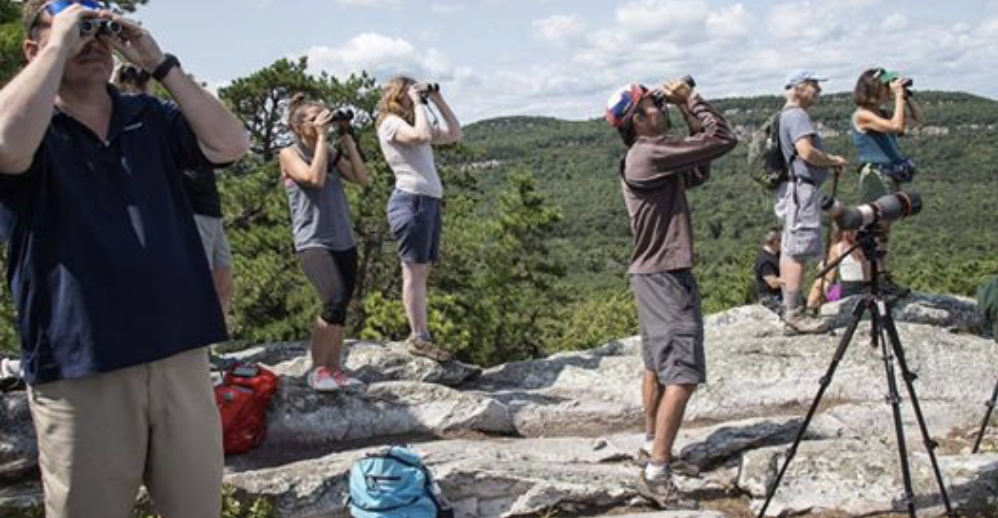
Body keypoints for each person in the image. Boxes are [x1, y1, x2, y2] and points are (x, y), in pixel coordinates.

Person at [0, 2, 250, 517]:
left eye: (98, 30)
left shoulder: (149, 116)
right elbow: (5, 147)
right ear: (33, 48)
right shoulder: (29, 124)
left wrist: (159, 62)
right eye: (75, 29)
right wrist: (57, 47)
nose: (90, 41)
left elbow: (230, 144)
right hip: (81, 364)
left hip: (178, 350)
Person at [605, 78, 737, 509]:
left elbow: (698, 167)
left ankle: (650, 443)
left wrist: (679, 109)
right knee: (682, 375)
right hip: (665, 276)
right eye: (652, 106)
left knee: (655, 366)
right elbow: (722, 138)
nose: (659, 108)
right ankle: (657, 471)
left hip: (651, 275)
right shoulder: (649, 153)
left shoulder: (647, 156)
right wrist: (691, 100)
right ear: (636, 121)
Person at [114, 66, 235, 320]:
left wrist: (183, 87)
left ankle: (212, 345)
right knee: (197, 282)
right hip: (188, 209)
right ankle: (200, 347)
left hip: (211, 209)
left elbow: (225, 134)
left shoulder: (173, 113)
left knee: (223, 280)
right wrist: (116, 82)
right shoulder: (144, 117)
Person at [280, 93, 368, 391]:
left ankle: (334, 369)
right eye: (315, 117)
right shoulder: (289, 154)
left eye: (324, 115)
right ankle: (317, 370)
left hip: (343, 237)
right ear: (298, 125)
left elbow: (361, 177)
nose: (322, 120)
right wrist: (321, 140)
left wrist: (346, 138)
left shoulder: (329, 151)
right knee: (332, 299)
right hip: (314, 239)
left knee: (341, 306)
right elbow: (313, 179)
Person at [376, 77, 462, 362]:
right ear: (397, 96)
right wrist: (418, 102)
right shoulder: (390, 123)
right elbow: (421, 137)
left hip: (427, 201)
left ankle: (421, 333)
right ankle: (419, 335)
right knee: (413, 271)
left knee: (422, 271)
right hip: (411, 200)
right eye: (408, 93)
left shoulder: (414, 123)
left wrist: (436, 99)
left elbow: (454, 133)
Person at [774, 70, 850, 334]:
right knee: (798, 250)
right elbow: (806, 152)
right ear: (798, 88)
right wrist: (832, 160)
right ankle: (794, 314)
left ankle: (790, 308)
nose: (819, 91)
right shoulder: (796, 115)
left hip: (795, 189)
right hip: (802, 191)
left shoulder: (787, 115)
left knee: (789, 248)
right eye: (814, 86)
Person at [851, 67, 924, 296]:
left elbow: (919, 121)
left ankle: (880, 277)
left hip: (890, 175)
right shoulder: (862, 114)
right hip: (876, 176)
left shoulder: (881, 113)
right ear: (874, 88)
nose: (889, 89)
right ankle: (871, 280)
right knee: (874, 227)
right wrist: (899, 98)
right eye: (885, 85)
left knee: (884, 229)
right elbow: (897, 126)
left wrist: (906, 97)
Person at [805, 227, 869, 310]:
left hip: (847, 291)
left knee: (820, 281)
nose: (854, 232)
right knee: (824, 282)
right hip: (859, 288)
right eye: (852, 229)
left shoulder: (838, 248)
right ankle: (812, 304)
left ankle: (810, 305)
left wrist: (823, 269)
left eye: (855, 229)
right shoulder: (863, 247)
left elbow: (829, 277)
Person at [754, 226, 784, 313]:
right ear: (775, 241)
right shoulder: (765, 261)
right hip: (769, 298)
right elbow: (773, 283)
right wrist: (791, 279)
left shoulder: (777, 254)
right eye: (782, 240)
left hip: (779, 294)